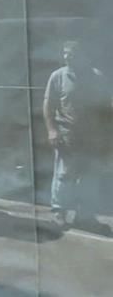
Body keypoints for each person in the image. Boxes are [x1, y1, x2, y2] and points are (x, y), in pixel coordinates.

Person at [43, 41, 112, 234]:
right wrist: (52, 130)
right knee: (64, 174)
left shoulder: (97, 77)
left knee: (89, 176)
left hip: (92, 136)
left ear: (83, 55)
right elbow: (48, 105)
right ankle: (59, 212)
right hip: (67, 134)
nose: (67, 57)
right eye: (65, 53)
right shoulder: (57, 76)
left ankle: (85, 215)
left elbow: (106, 107)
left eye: (72, 53)